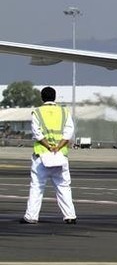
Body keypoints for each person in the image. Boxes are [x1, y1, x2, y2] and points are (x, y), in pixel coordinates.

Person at [20, 87, 77, 224]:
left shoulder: (37, 112)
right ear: (55, 97)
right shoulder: (64, 112)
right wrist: (58, 146)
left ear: (42, 97)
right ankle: (70, 216)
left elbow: (37, 133)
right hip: (60, 155)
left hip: (42, 155)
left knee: (37, 186)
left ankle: (32, 216)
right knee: (63, 186)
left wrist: (48, 146)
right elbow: (69, 133)